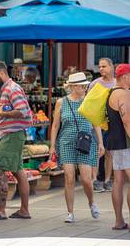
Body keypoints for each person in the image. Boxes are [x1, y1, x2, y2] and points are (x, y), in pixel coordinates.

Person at [50, 72, 104, 223]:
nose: (85, 88)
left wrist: (100, 142)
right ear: (73, 87)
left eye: (85, 86)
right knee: (69, 178)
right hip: (66, 142)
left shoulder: (89, 101)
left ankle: (91, 202)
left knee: (86, 179)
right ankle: (70, 213)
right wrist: (52, 146)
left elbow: (96, 123)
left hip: (85, 143)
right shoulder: (61, 102)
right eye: (82, 86)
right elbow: (55, 125)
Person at [0, 61, 33, 220]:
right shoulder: (4, 90)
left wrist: (3, 114)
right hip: (10, 134)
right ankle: (24, 210)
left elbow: (23, 111)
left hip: (12, 135)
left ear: (1, 73)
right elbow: (1, 118)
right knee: (18, 172)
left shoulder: (12, 89)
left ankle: (1, 210)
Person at [105, 64, 130, 230]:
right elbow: (127, 121)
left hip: (115, 143)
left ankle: (119, 221)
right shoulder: (124, 93)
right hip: (126, 143)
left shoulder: (111, 93)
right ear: (125, 77)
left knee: (118, 181)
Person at [88, 58, 116, 193]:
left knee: (109, 153)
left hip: (113, 123)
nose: (101, 69)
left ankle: (107, 180)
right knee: (98, 151)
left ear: (111, 67)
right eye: (100, 67)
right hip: (97, 123)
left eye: (104, 66)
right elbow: (87, 104)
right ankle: (96, 180)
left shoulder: (117, 84)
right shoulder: (95, 84)